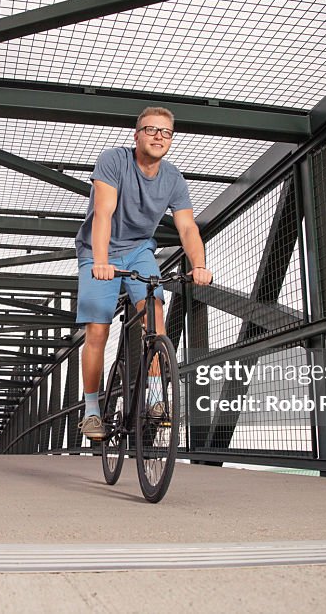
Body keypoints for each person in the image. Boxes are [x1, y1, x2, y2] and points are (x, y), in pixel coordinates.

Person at [74, 106, 213, 441]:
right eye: (151, 130)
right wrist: (103, 261)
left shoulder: (173, 178)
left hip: (139, 250)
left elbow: (187, 227)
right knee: (98, 329)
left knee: (155, 317)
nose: (158, 137)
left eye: (166, 132)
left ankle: (153, 399)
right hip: (99, 250)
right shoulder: (114, 160)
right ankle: (92, 410)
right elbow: (104, 213)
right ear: (136, 135)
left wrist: (199, 265)